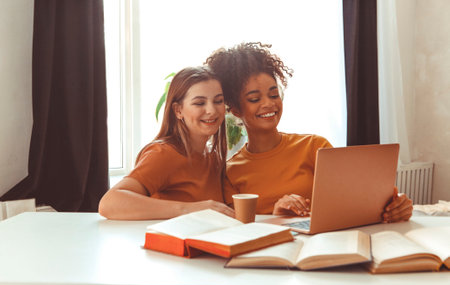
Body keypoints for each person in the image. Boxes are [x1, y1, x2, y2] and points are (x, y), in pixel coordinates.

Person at [205, 42, 413, 223]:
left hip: (324, 244)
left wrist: (394, 206)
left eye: (274, 94)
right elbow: (240, 229)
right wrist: (277, 215)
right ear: (235, 109)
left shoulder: (314, 146)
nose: (269, 104)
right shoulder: (232, 171)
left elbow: (354, 200)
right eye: (254, 99)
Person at [99, 66, 234, 220]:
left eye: (218, 101)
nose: (211, 110)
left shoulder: (213, 157)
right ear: (178, 110)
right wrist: (191, 209)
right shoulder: (163, 153)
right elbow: (109, 203)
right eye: (199, 103)